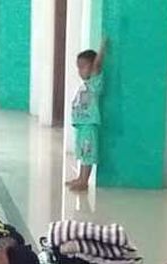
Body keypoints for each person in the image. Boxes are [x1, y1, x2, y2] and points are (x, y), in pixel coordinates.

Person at [67, 42, 106, 192]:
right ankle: (80, 177)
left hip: (89, 125)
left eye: (83, 67)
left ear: (92, 67)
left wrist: (102, 47)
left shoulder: (95, 82)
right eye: (78, 67)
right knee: (83, 152)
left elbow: (97, 64)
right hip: (82, 125)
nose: (80, 71)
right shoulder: (85, 84)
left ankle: (84, 181)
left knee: (88, 153)